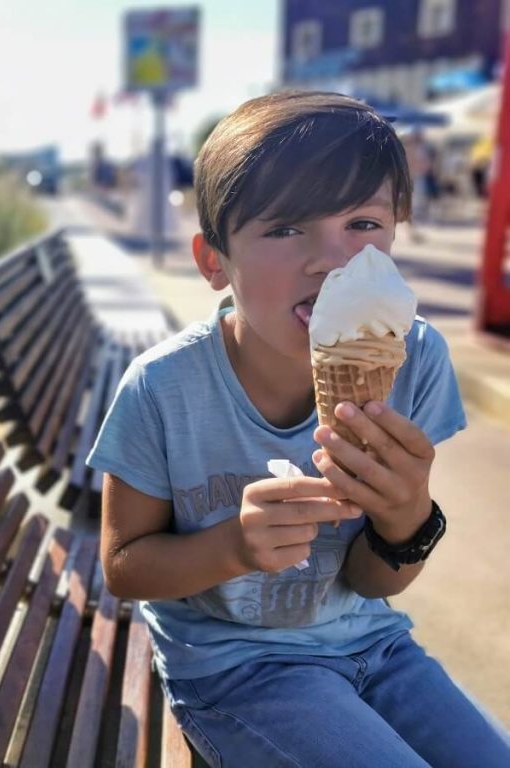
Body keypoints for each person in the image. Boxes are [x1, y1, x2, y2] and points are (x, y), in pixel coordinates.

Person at [86, 91, 510, 766]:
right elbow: (123, 568)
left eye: (363, 223)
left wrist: (408, 520)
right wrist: (237, 547)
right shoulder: (163, 389)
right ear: (213, 260)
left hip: (375, 643)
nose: (332, 258)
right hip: (235, 668)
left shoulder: (414, 359)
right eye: (286, 229)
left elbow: (375, 583)